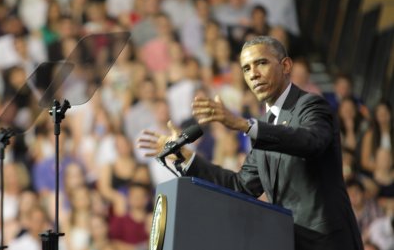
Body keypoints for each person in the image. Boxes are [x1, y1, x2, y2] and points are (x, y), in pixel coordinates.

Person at [138, 36, 363, 250]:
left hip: (329, 243)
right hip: (289, 242)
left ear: (286, 66)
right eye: (246, 68)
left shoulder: (311, 105)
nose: (253, 74)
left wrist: (245, 125)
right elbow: (241, 186)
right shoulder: (265, 125)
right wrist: (187, 157)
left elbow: (310, 142)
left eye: (261, 63)